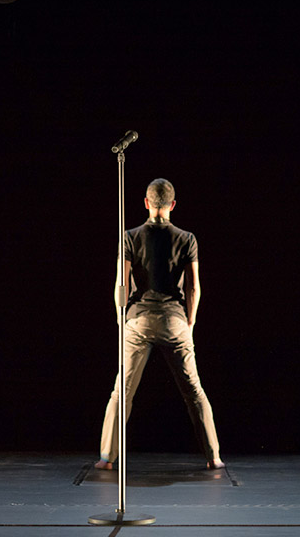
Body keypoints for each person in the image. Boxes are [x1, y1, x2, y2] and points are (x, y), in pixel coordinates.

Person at [95, 178, 224, 470]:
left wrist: (121, 320)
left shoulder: (129, 236)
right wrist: (190, 320)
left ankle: (106, 458)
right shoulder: (187, 238)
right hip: (174, 321)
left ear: (146, 203)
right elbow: (194, 288)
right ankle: (213, 457)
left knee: (122, 391)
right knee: (194, 390)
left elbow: (121, 284)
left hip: (138, 320)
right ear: (172, 205)